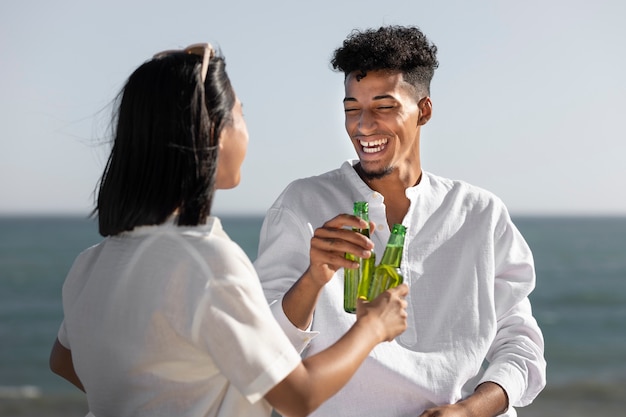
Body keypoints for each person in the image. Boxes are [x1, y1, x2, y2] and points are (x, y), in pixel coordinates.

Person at [49, 42, 410, 417]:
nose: (248, 132)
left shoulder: (90, 265)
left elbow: (63, 360)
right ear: (215, 132)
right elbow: (298, 397)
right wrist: (372, 327)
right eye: (241, 114)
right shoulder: (208, 261)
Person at [254, 26, 546, 417]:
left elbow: (520, 343)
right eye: (352, 109)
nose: (363, 125)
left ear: (423, 110)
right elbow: (264, 353)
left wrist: (471, 410)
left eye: (383, 106)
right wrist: (312, 278)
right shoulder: (302, 205)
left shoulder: (479, 213)